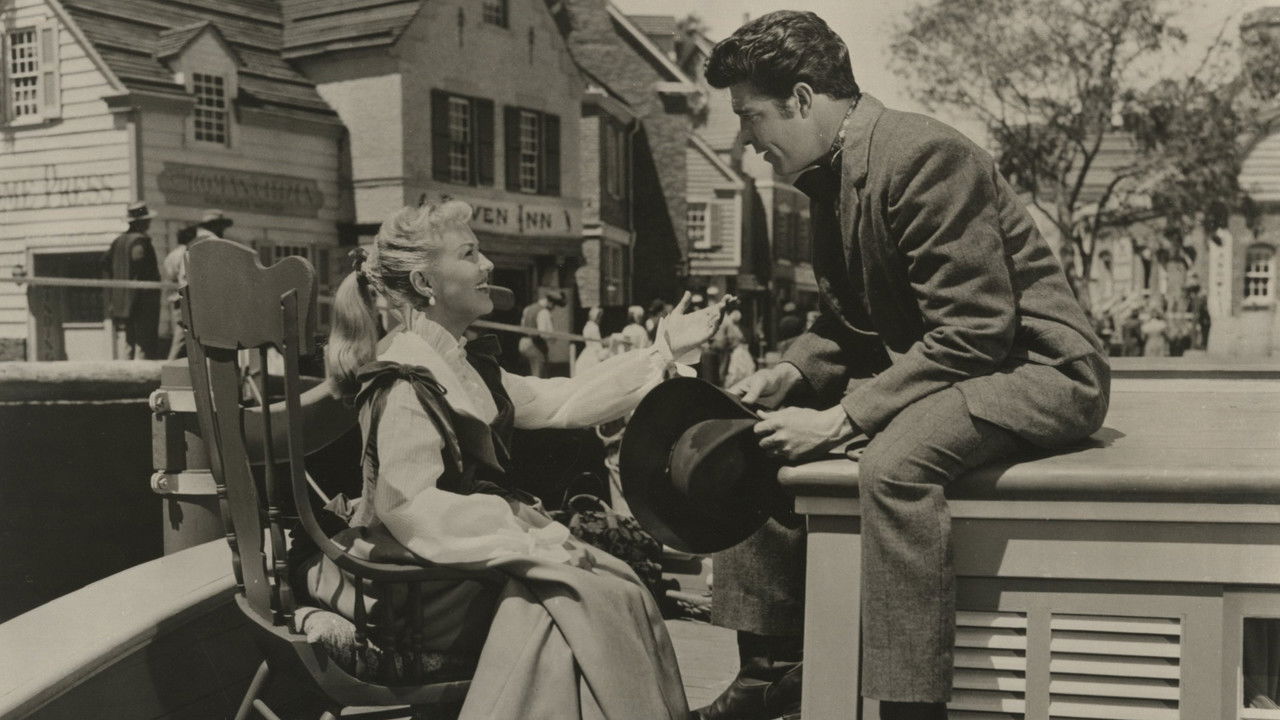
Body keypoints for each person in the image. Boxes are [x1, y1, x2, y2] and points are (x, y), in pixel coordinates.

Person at [703, 11, 1110, 719]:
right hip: (961, 366)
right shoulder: (831, 176)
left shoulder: (923, 155)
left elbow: (976, 330)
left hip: (1033, 371)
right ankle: (770, 674)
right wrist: (792, 375)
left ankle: (908, 704)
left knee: (892, 468)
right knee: (757, 440)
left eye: (751, 116)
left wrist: (839, 419)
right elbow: (849, 322)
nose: (745, 140)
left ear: (802, 100)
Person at [316, 200, 731, 720]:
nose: (487, 265)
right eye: (470, 254)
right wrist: (524, 536)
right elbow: (410, 507)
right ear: (425, 283)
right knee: (586, 598)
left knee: (614, 582)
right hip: (418, 584)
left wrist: (663, 350)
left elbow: (562, 400)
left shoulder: (459, 363)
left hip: (457, 565)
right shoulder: (404, 377)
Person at [102, 201, 161, 359]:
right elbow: (139, 262)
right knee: (144, 342)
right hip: (142, 299)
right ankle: (143, 381)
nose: (149, 222)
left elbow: (105, 264)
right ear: (141, 222)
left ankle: (126, 377)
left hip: (124, 300)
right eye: (147, 220)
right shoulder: (140, 242)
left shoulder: (118, 241)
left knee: (129, 340)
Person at [163, 223, 196, 360]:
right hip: (184, 298)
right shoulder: (186, 253)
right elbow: (184, 278)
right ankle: (169, 366)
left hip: (174, 299)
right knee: (181, 336)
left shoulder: (170, 255)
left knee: (184, 334)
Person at [518, 291, 561, 378]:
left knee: (530, 372)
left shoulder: (528, 308)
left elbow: (522, 325)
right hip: (534, 344)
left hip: (523, 343)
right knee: (538, 375)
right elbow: (544, 333)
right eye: (554, 305)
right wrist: (553, 337)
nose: (554, 308)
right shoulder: (543, 312)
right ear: (550, 303)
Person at [574, 305, 610, 376]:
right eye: (600, 317)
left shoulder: (587, 326)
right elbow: (597, 346)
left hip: (586, 353)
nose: (600, 320)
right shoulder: (594, 327)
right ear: (597, 317)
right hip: (592, 356)